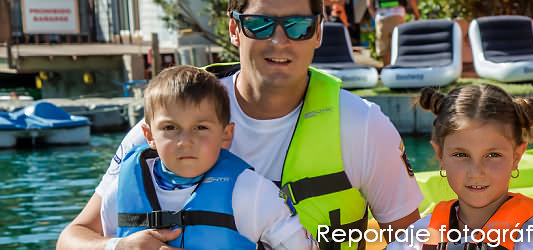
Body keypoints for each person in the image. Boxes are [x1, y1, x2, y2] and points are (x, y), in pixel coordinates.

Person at [57, 0, 423, 249]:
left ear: (318, 33)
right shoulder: (169, 123)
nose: (279, 40)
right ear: (235, 29)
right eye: (259, 24)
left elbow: (411, 240)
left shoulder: (363, 127)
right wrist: (116, 246)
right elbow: (73, 237)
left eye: (298, 26)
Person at [99, 65, 316, 249]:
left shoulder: (251, 193)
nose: (185, 141)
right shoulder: (120, 191)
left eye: (200, 127)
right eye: (170, 127)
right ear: (149, 136)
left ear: (226, 135)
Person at [386, 85, 533, 249]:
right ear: (440, 155)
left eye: (492, 155)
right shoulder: (417, 237)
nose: (476, 172)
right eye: (461, 155)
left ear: (516, 156)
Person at [368, 0, 420, 66]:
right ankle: (398, 68)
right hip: (398, 15)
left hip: (381, 16)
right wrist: (416, 13)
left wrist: (375, 16)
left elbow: (369, 4)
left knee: (384, 50)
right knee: (399, 46)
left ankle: (387, 69)